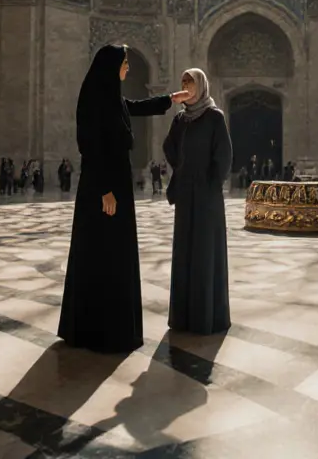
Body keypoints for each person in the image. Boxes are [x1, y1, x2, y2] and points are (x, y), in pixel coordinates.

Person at [58, 44, 188, 353]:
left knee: (114, 252)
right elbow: (89, 146)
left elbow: (137, 107)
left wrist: (170, 99)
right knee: (103, 252)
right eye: (125, 63)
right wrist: (105, 189)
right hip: (102, 189)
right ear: (111, 65)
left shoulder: (112, 100)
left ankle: (112, 325)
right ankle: (97, 329)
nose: (128, 68)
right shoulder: (92, 101)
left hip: (116, 185)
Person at [163, 68, 233, 334]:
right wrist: (181, 168)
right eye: (183, 82)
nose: (186, 86)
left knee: (205, 252)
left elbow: (224, 156)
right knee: (185, 251)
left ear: (201, 86)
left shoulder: (214, 117)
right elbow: (169, 146)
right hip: (185, 193)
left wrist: (210, 184)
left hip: (206, 196)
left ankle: (207, 318)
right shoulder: (181, 120)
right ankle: (183, 317)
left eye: (190, 82)